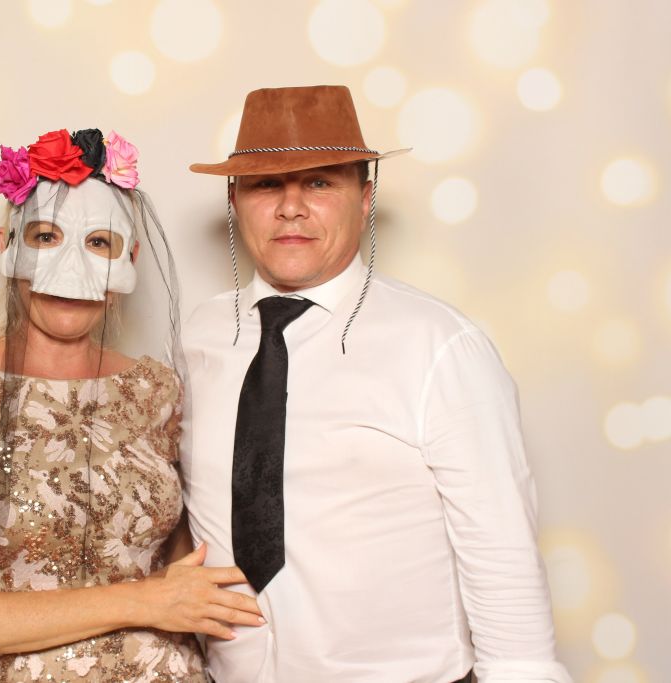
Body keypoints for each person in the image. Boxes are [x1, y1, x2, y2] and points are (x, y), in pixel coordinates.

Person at [180, 86, 572, 682]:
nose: (291, 208)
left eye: (319, 183)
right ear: (235, 201)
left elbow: (502, 555)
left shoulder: (440, 346)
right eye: (266, 185)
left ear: (365, 199)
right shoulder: (196, 338)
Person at [0, 127, 263, 683]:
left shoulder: (156, 390)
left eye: (99, 244)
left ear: (130, 257)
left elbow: (187, 571)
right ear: (6, 244)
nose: (71, 272)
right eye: (45, 236)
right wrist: (143, 601)